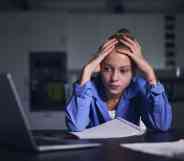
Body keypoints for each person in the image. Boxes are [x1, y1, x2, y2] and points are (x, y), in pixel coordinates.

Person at [65, 28, 172, 132]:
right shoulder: (89, 89)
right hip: (97, 149)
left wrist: (150, 73)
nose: (114, 78)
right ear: (99, 67)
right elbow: (75, 126)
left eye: (123, 70)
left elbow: (161, 125)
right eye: (107, 69)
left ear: (133, 72)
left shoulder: (140, 88)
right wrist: (87, 70)